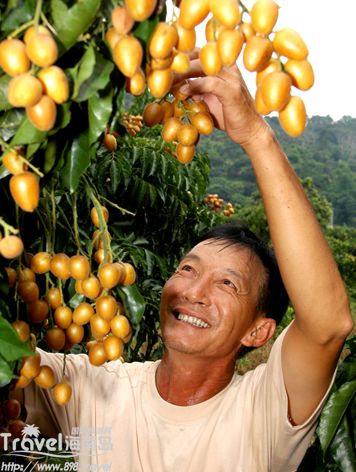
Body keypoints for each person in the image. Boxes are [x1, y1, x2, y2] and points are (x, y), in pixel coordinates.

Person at [21, 57, 353, 472]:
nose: (193, 292)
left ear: (259, 331)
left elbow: (328, 325)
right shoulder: (96, 387)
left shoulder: (262, 412)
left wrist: (254, 134)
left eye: (227, 284)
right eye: (187, 269)